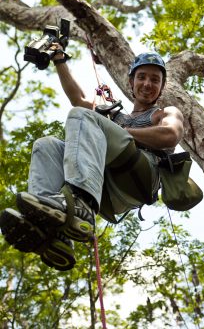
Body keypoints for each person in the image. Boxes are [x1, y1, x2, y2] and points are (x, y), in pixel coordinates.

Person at [0, 47, 184, 271]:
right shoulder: (117, 116)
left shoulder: (164, 113)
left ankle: (80, 204)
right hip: (108, 186)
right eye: (141, 77)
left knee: (83, 115)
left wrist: (122, 131)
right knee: (45, 145)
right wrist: (59, 59)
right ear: (131, 83)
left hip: (141, 175)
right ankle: (53, 231)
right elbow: (78, 99)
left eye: (155, 80)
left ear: (161, 88)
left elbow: (171, 135)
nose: (147, 84)